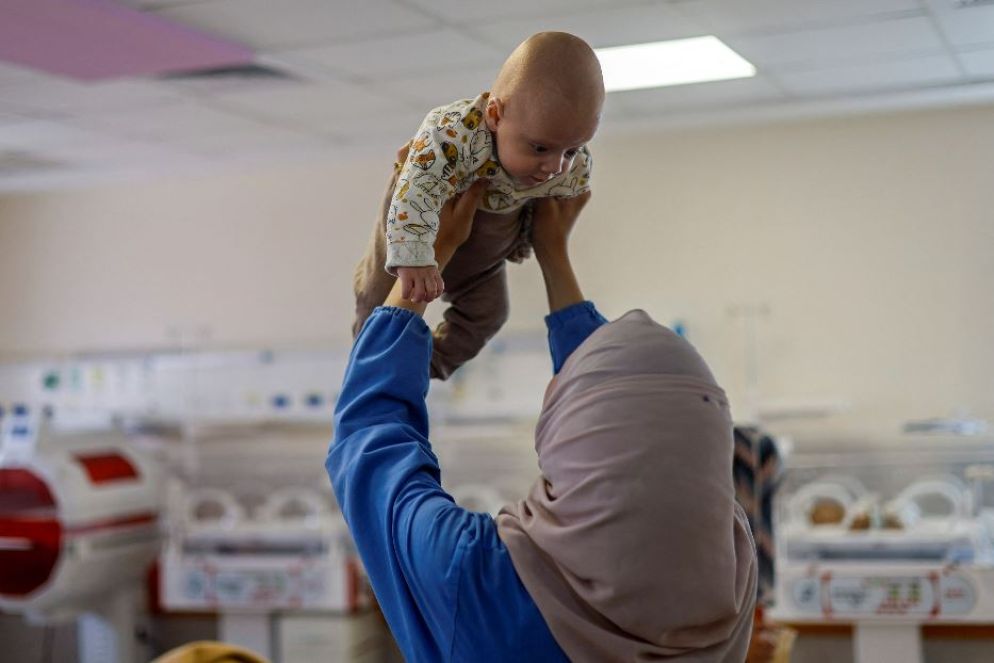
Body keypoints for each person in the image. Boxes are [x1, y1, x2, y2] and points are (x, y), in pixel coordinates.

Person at [329, 185, 757, 661]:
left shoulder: (475, 576)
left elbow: (370, 439)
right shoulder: (733, 578)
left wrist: (423, 258)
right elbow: (637, 426)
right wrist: (554, 255)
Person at [352, 31, 603, 380]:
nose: (555, 166)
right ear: (496, 115)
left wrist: (523, 244)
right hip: (421, 222)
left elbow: (555, 208)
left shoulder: (569, 168)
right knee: (381, 299)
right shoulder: (453, 133)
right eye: (540, 148)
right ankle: (371, 363)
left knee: (490, 314)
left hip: (483, 255)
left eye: (572, 150)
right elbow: (417, 191)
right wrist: (414, 256)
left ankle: (425, 367)